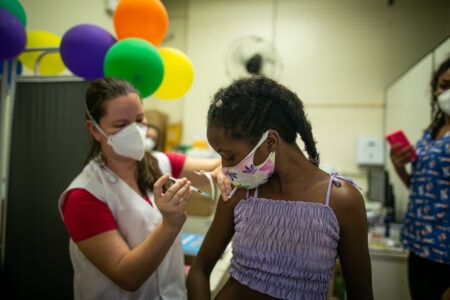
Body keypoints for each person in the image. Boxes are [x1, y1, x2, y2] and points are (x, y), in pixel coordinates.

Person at [186, 76, 374, 300]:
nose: (224, 167)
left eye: (229, 156)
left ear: (270, 142)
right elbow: (198, 270)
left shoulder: (340, 201)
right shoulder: (240, 191)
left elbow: (361, 294)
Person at [57, 77, 230, 300]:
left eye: (139, 120)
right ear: (95, 129)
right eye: (121, 125)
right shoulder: (83, 196)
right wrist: (170, 224)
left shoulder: (160, 163)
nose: (136, 131)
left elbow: (217, 167)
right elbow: (127, 276)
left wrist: (221, 171)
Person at [389, 57, 450, 300]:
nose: (448, 92)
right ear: (435, 89)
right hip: (417, 245)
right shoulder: (430, 133)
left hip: (445, 254)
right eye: (444, 85)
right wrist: (400, 168)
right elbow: (422, 188)